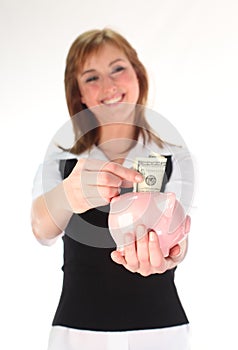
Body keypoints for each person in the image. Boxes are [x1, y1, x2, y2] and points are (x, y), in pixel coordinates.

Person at [31, 28, 194, 350]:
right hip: (78, 330)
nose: (108, 86)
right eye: (91, 78)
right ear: (79, 94)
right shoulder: (64, 155)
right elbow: (41, 229)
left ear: (138, 74)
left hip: (161, 329)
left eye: (118, 68)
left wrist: (173, 256)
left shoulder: (173, 155)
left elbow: (181, 236)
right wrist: (69, 194)